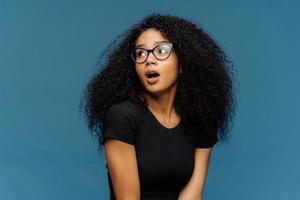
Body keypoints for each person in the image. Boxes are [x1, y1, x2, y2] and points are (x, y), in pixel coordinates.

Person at [80, 13, 237, 200]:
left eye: (161, 51)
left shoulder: (202, 118)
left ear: (183, 64)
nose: (149, 59)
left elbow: (193, 195)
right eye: (141, 53)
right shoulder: (122, 116)